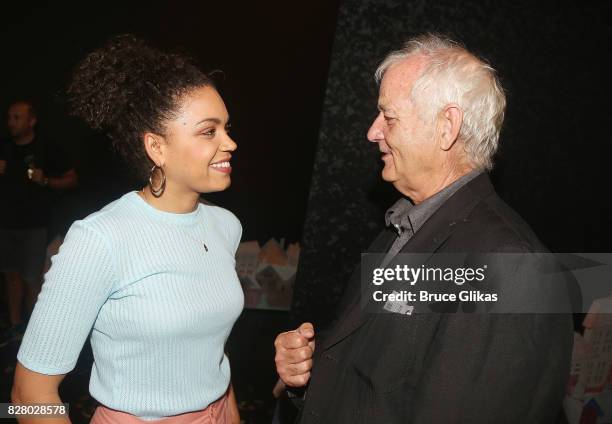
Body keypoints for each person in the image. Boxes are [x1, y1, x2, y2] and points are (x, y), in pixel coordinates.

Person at [274, 34, 573, 423]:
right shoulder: (400, 229)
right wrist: (305, 375)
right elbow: (371, 379)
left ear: (447, 126)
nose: (372, 131)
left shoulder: (509, 269)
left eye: (389, 116)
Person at [11, 35, 242, 424]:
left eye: (227, 128)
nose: (231, 143)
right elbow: (28, 393)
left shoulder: (226, 226)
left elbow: (212, 352)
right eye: (209, 131)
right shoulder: (101, 239)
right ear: (157, 147)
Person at [0, 99, 78, 347]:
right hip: (6, 223)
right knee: (11, 277)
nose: (11, 122)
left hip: (35, 224)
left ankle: (35, 333)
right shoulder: (4, 147)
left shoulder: (46, 148)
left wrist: (45, 181)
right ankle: (14, 327)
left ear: (31, 120)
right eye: (9, 117)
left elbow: (72, 180)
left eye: (17, 117)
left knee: (33, 278)